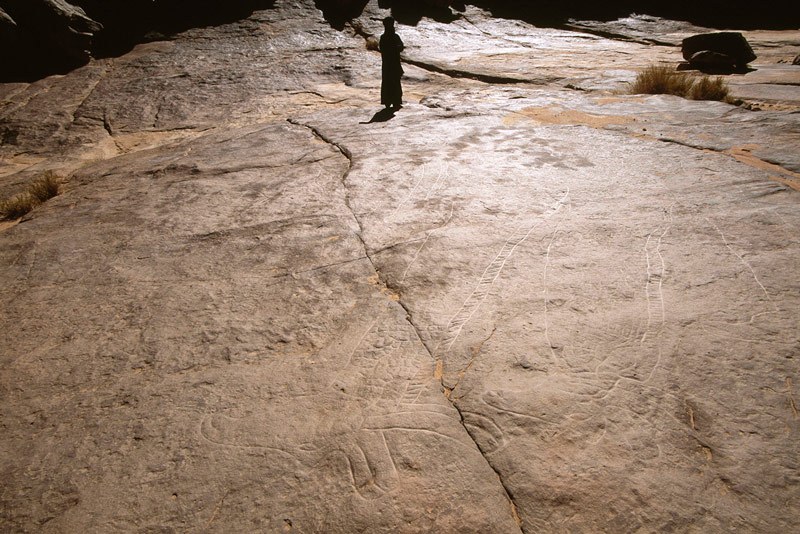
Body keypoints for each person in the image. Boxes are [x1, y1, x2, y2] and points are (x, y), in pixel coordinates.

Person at [379, 17, 404, 110]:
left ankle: (392, 101)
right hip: (391, 63)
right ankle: (392, 101)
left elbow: (401, 47)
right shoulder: (390, 37)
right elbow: (384, 49)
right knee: (393, 82)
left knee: (390, 82)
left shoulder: (386, 37)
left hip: (389, 64)